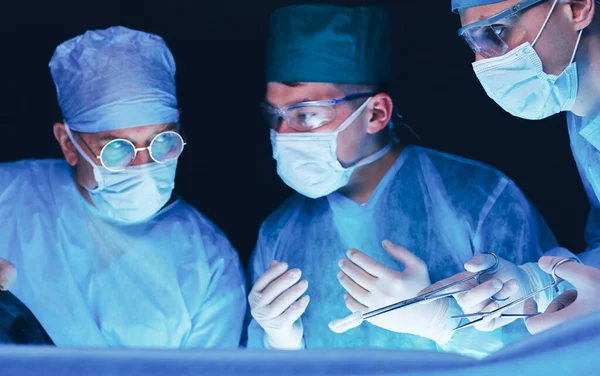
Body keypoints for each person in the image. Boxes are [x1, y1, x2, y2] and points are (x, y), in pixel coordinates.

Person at [245, 4, 563, 357]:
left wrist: (443, 323)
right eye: (274, 115)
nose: (282, 133)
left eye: (306, 115)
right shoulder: (279, 232)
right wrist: (279, 345)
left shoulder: (481, 199)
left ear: (376, 113)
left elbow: (544, 348)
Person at [0, 26, 246, 348]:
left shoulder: (207, 260)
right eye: (116, 149)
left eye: (162, 143)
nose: (143, 168)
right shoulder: (8, 197)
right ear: (68, 144)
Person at [443, 0, 600, 333]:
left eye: (496, 31)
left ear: (576, 7)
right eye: (473, 42)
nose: (483, 61)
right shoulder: (585, 124)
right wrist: (536, 284)